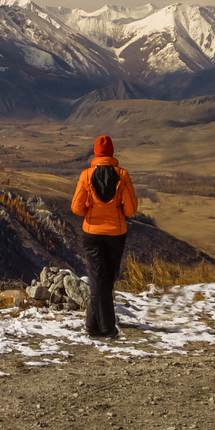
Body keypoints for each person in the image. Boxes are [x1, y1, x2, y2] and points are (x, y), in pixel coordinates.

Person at [70, 134, 139, 339]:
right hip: (116, 234)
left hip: (91, 234)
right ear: (112, 152)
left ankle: (93, 326)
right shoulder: (123, 175)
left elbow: (76, 208)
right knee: (105, 281)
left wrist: (91, 207)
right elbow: (131, 209)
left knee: (99, 281)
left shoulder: (85, 176)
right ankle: (108, 327)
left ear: (96, 153)